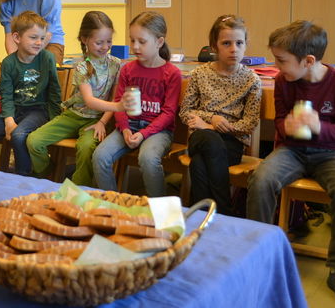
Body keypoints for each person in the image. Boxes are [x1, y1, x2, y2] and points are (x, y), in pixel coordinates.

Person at [246, 21, 335, 305]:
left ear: (308, 61)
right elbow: (279, 120)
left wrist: (318, 126)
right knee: (261, 179)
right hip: (293, 151)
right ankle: (257, 255)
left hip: (331, 154)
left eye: (281, 60)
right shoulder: (284, 82)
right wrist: (287, 125)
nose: (277, 66)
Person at [26, 11, 135, 184]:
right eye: (99, 42)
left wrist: (102, 122)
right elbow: (90, 100)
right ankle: (48, 174)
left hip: (96, 120)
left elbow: (114, 98)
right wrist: (119, 107)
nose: (105, 46)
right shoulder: (81, 67)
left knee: (85, 148)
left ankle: (79, 188)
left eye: (109, 41)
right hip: (72, 116)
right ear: (85, 39)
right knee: (33, 141)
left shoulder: (116, 64)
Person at [92, 12, 182, 197]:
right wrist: (125, 129)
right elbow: (119, 104)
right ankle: (113, 207)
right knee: (100, 156)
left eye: (142, 41)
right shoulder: (128, 69)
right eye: (132, 40)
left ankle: (162, 214)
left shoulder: (171, 73)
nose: (135, 46)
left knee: (148, 158)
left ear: (159, 42)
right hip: (128, 127)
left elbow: (168, 113)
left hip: (157, 131)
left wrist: (143, 134)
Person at [179, 15, 261, 216]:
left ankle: (198, 215)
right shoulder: (200, 74)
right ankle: (224, 212)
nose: (234, 49)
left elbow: (249, 123)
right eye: (226, 43)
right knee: (208, 140)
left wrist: (208, 125)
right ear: (214, 46)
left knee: (199, 163)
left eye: (239, 43)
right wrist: (211, 120)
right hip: (200, 137)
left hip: (231, 143)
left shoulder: (252, 80)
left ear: (246, 45)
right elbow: (185, 111)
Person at [0, 11, 61, 175]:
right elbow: (6, 95)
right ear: (17, 38)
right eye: (33, 37)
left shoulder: (47, 58)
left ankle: (24, 178)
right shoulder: (8, 63)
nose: (39, 42)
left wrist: (54, 120)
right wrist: (9, 121)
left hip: (38, 110)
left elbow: (54, 92)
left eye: (41, 38)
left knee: (19, 135)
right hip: (13, 111)